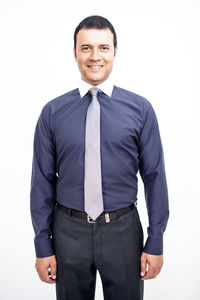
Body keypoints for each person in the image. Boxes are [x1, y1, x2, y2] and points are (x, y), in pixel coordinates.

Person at [30, 15, 169, 300]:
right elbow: (42, 182)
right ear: (75, 53)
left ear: (115, 51)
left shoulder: (140, 110)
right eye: (86, 48)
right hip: (68, 232)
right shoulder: (52, 113)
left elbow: (154, 177)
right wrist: (43, 245)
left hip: (123, 231)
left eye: (103, 48)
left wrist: (155, 240)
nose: (95, 56)